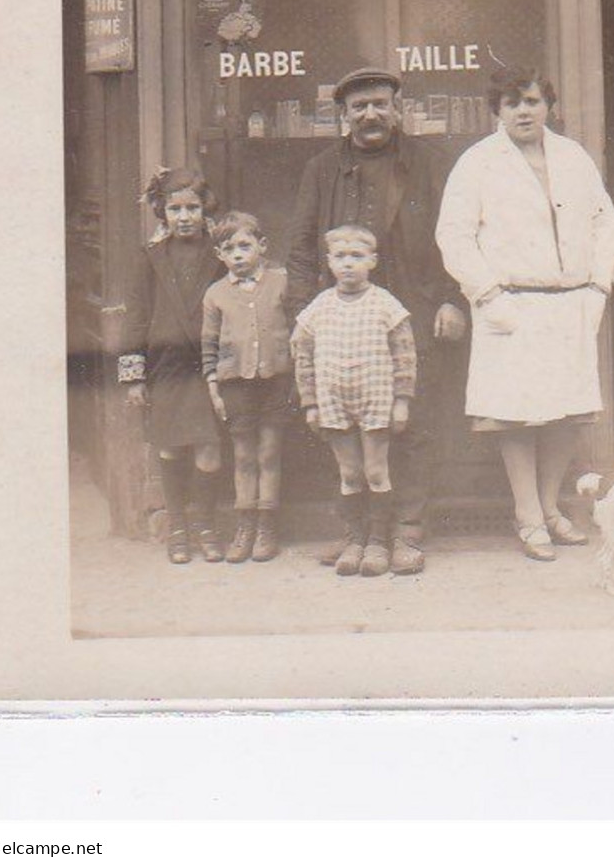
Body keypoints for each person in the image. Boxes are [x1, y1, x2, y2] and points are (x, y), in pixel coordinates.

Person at [285, 66, 467, 575]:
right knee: (344, 429)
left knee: (409, 424)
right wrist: (303, 315)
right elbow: (300, 248)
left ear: (397, 109)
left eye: (380, 104)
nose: (371, 115)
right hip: (341, 321)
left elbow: (458, 238)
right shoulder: (321, 169)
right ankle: (357, 533)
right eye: (359, 107)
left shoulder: (429, 164)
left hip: (411, 311)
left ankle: (406, 532)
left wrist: (453, 299)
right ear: (343, 116)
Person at [436, 67, 614, 562]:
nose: (523, 111)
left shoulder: (573, 157)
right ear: (496, 109)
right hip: (510, 303)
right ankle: (527, 514)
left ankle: (551, 507)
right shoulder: (478, 163)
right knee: (516, 416)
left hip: (572, 302)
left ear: (548, 106)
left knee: (565, 413)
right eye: (512, 102)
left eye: (533, 101)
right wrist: (489, 296)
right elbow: (454, 235)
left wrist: (599, 285)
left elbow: (605, 223)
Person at [290, 225, 419, 577]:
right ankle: (355, 539)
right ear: (329, 261)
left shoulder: (385, 304)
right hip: (334, 400)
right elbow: (301, 355)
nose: (348, 264)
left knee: (376, 471)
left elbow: (405, 353)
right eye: (341, 257)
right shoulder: (319, 307)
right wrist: (311, 403)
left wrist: (402, 400)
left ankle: (379, 542)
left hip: (376, 397)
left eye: (357, 256)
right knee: (349, 472)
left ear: (372, 261)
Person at [118, 167, 226, 565]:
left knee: (209, 449)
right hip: (166, 367)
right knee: (169, 448)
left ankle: (206, 525)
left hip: (207, 366)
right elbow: (136, 316)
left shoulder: (219, 252)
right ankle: (178, 527)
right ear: (162, 211)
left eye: (192, 208)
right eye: (175, 208)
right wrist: (134, 377)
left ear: (205, 208)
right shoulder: (149, 257)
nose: (184, 217)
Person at [201, 211, 293, 563]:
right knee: (243, 455)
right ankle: (245, 526)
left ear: (262, 247)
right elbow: (208, 343)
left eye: (244, 245)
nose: (238, 254)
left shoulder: (281, 281)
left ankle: (267, 527)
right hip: (235, 384)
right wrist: (213, 386)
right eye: (229, 248)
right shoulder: (216, 294)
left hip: (276, 381)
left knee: (269, 452)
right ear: (219, 255)